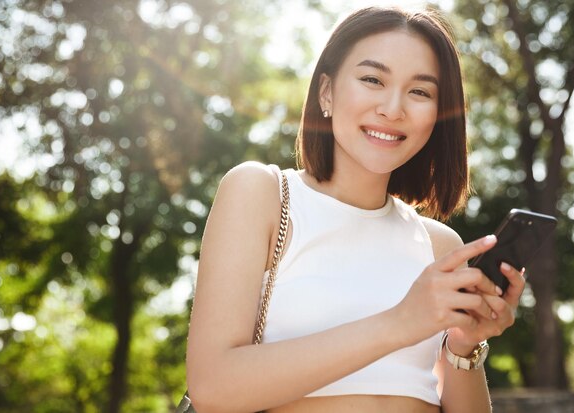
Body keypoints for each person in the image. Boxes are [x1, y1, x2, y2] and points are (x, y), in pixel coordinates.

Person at [185, 6, 525, 413]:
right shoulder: (263, 195)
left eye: (420, 91)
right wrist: (401, 322)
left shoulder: (438, 245)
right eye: (372, 79)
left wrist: (464, 345)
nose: (393, 108)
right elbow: (212, 386)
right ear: (326, 92)